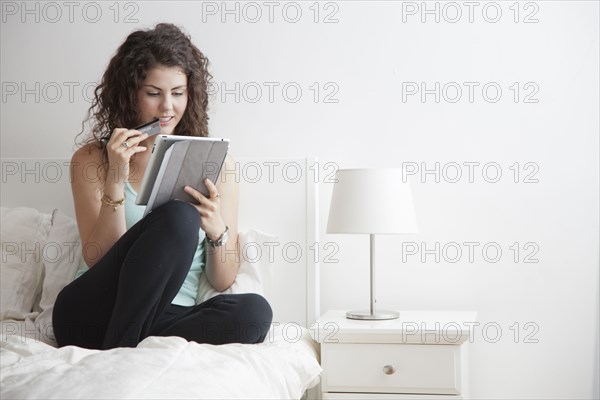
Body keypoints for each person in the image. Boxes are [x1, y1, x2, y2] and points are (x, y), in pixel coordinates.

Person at [52, 23, 272, 350]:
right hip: (92, 313)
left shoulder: (218, 164)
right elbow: (97, 258)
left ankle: (125, 345)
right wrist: (115, 177)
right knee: (179, 217)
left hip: (167, 316)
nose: (167, 107)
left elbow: (223, 280)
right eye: (154, 93)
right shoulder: (91, 159)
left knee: (254, 311)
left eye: (178, 93)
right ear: (130, 93)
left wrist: (215, 230)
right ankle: (128, 346)